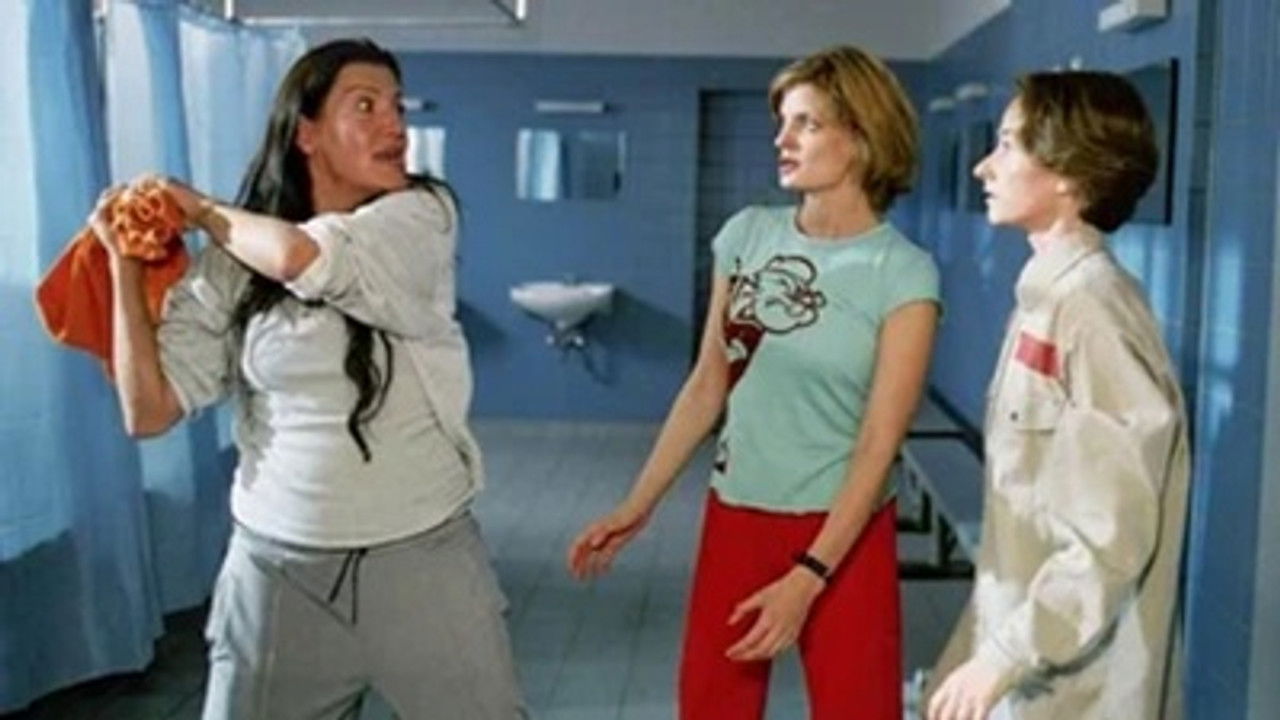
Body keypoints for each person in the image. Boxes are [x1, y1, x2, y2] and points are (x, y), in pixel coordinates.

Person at [91, 39, 527, 720]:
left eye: (398, 107)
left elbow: (301, 257)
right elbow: (148, 411)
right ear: (307, 134)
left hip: (422, 561)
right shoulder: (231, 264)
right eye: (366, 106)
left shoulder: (421, 216)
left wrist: (198, 210)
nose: (395, 125)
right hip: (276, 573)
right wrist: (122, 262)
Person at [567, 45, 940, 719]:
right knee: (711, 706)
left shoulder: (902, 272)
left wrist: (812, 574)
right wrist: (636, 506)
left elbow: (879, 443)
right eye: (782, 122)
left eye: (806, 123)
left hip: (845, 531)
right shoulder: (747, 236)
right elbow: (707, 385)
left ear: (861, 138)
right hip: (737, 514)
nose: (782, 140)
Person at [926, 71, 1191, 720]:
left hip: (1078, 685)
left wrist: (1003, 655)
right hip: (1028, 656)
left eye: (1008, 144)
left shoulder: (1092, 311)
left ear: (1069, 173)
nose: (984, 167)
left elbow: (1110, 538)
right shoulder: (1047, 297)